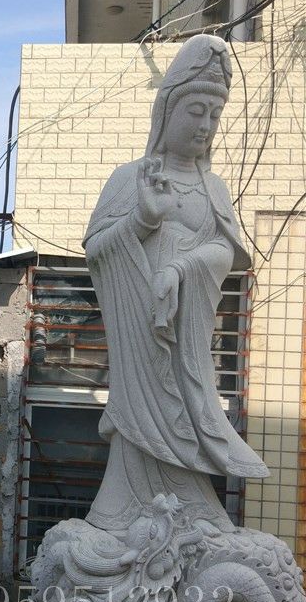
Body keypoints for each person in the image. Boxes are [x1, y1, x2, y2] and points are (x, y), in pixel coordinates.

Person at [82, 35, 268, 534]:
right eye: (196, 111)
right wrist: (143, 220)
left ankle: (191, 504)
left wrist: (181, 268)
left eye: (215, 115)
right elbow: (97, 250)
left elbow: (227, 252)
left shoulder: (214, 188)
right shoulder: (131, 177)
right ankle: (120, 510)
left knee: (188, 406)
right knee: (142, 414)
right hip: (143, 334)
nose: (205, 125)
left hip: (185, 332)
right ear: (167, 111)